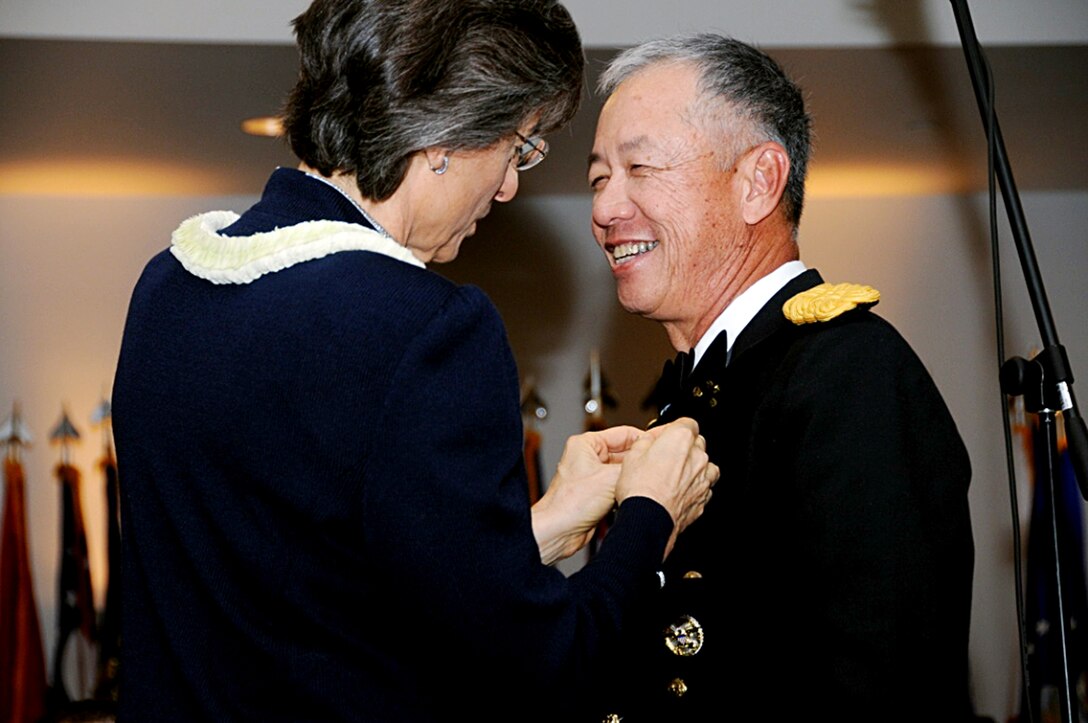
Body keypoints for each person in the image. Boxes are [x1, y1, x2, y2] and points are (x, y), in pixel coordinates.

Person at [111, 3, 718, 721]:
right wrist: (650, 514)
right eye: (517, 146)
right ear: (444, 134)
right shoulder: (425, 329)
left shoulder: (167, 288)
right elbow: (547, 668)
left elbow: (309, 594)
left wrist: (545, 523)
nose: (509, 188)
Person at [584, 34, 975, 721]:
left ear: (759, 181)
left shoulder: (845, 371)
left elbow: (879, 686)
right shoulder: (699, 396)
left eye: (639, 167)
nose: (606, 210)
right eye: (597, 178)